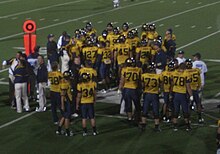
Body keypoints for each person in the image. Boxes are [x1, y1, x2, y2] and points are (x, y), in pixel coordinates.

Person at [139, 62, 162, 132]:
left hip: (147, 94)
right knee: (155, 110)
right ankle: (157, 126)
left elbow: (142, 85)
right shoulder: (158, 76)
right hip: (154, 94)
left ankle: (143, 125)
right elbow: (161, 86)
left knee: (145, 110)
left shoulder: (144, 75)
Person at [118, 58, 142, 123]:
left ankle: (129, 118)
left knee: (128, 104)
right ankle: (138, 118)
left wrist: (120, 88)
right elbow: (139, 80)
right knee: (137, 104)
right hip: (135, 89)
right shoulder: (138, 69)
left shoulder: (124, 70)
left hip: (127, 88)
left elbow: (122, 80)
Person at [171, 63, 193, 131]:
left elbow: (172, 84)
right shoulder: (186, 74)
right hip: (182, 94)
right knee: (185, 110)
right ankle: (187, 126)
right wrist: (191, 95)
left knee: (176, 110)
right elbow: (188, 87)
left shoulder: (174, 73)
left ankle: (175, 126)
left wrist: (171, 93)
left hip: (175, 93)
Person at [185, 59, 204, 123]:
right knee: (198, 103)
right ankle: (200, 118)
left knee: (188, 104)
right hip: (196, 89)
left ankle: (188, 119)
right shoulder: (196, 70)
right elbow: (199, 78)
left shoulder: (185, 72)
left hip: (189, 90)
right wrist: (199, 85)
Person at [56, 70, 74, 137]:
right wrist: (63, 105)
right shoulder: (64, 84)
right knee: (67, 117)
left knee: (64, 116)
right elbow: (63, 95)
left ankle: (59, 130)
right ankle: (67, 132)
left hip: (65, 101)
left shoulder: (65, 81)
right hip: (66, 102)